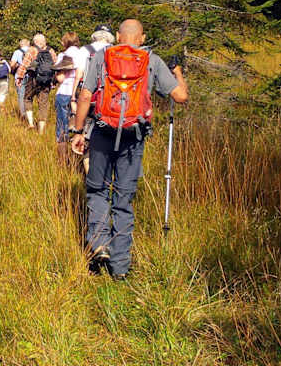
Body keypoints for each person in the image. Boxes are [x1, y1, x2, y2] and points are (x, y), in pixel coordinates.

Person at [70, 19, 188, 279]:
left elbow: (86, 95)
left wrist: (78, 131)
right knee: (123, 200)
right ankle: (120, 268)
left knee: (97, 189)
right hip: (134, 137)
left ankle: (99, 244)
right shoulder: (151, 60)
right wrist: (177, 72)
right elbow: (180, 96)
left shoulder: (102, 56)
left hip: (102, 132)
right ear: (141, 37)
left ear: (117, 36)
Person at [71, 24, 115, 173]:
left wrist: (73, 96)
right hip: (111, 101)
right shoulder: (115, 51)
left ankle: (91, 177)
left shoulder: (86, 50)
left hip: (90, 98)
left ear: (94, 35)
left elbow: (79, 74)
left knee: (87, 137)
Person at [16, 34, 58, 134]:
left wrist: (19, 77)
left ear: (35, 41)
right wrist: (54, 80)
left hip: (33, 79)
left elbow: (24, 64)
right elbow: (55, 65)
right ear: (44, 41)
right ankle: (41, 130)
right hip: (46, 81)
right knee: (43, 104)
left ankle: (30, 123)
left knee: (27, 98)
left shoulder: (32, 50)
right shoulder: (50, 50)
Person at [53, 32, 82, 163]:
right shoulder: (84, 54)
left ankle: (63, 161)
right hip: (80, 94)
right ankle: (80, 158)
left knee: (62, 128)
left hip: (65, 93)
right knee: (79, 127)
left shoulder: (63, 55)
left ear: (65, 42)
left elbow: (60, 78)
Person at [10, 39, 30, 118]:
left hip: (20, 76)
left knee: (21, 96)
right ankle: (30, 114)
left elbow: (12, 64)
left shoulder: (17, 52)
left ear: (20, 44)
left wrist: (14, 68)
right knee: (29, 96)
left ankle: (23, 115)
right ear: (28, 44)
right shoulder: (32, 51)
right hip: (31, 76)